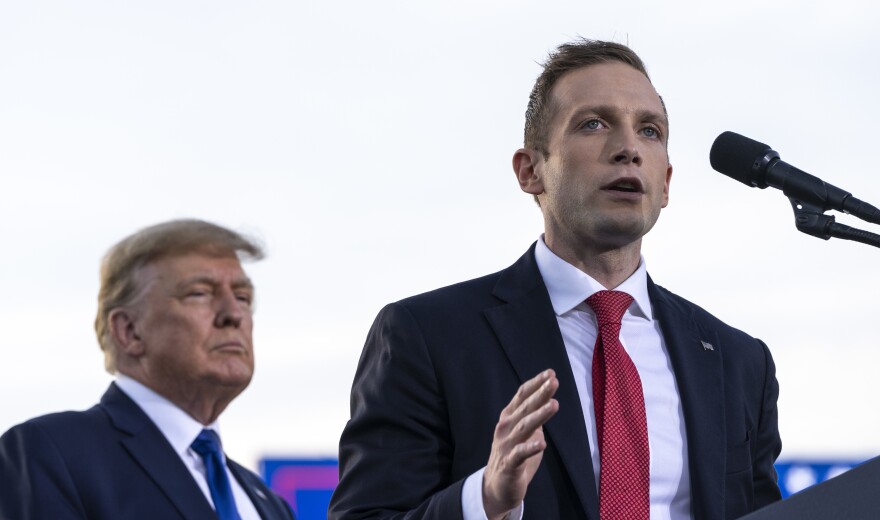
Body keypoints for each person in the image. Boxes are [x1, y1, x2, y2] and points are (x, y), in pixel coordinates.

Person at [328, 39, 782, 520]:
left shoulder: (738, 361)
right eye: (593, 124)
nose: (628, 149)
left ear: (665, 182)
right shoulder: (426, 336)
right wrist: (483, 500)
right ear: (530, 171)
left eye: (649, 131)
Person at [0, 219, 296, 520]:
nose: (234, 314)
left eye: (243, 297)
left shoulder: (268, 502)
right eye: (199, 293)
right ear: (129, 330)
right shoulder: (52, 453)